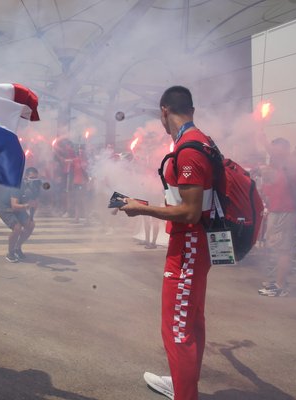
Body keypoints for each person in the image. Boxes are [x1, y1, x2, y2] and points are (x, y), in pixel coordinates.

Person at [120, 86, 213, 400]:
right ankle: (180, 382)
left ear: (164, 111)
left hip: (188, 248)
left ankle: (185, 394)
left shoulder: (188, 149)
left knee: (177, 329)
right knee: (190, 322)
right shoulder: (202, 141)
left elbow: (189, 212)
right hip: (193, 248)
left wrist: (141, 209)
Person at [257, 138, 296, 297]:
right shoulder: (277, 167)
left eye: (276, 149)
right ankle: (276, 280)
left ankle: (281, 286)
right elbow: (269, 189)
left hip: (285, 211)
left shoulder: (291, 165)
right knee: (274, 246)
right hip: (276, 210)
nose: (273, 152)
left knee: (283, 249)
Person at [0, 167, 40, 263]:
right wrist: (28, 205)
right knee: (17, 228)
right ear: (26, 177)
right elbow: (14, 205)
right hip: (5, 207)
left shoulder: (36, 187)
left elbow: (35, 204)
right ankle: (10, 253)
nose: (34, 180)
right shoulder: (18, 186)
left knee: (30, 225)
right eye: (31, 178)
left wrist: (31, 218)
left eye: (36, 178)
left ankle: (17, 247)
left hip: (20, 207)